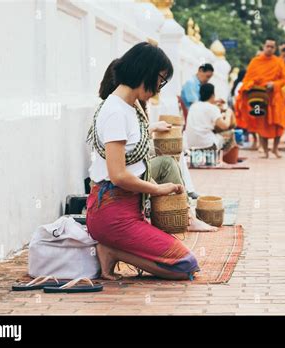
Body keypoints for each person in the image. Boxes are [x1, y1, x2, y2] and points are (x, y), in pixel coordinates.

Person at [86, 43, 202, 281]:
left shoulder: (129, 107)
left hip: (128, 209)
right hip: (112, 214)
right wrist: (157, 189)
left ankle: (116, 248)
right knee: (185, 265)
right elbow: (118, 175)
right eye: (160, 80)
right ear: (145, 72)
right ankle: (112, 250)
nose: (158, 89)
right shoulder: (116, 111)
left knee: (182, 262)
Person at [238, 38, 285, 159]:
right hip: (259, 99)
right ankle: (265, 150)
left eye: (272, 47)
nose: (269, 49)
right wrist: (253, 84)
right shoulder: (255, 62)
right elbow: (247, 79)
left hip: (275, 98)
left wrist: (274, 84)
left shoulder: (278, 62)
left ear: (275, 49)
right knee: (260, 123)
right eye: (268, 46)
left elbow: (284, 80)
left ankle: (275, 149)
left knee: (279, 123)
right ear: (264, 47)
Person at [186, 83, 236, 156]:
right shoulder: (212, 108)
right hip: (208, 146)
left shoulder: (193, 106)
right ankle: (222, 158)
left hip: (190, 146)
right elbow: (225, 126)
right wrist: (229, 112)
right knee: (231, 133)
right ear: (213, 95)